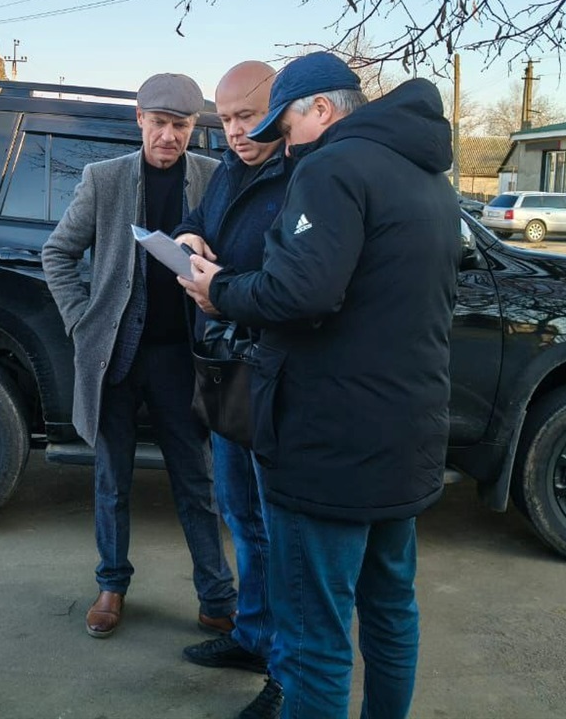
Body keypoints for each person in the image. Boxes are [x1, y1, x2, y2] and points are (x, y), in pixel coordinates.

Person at [180, 52, 460, 719]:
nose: (285, 146)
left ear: (323, 109)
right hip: (406, 434)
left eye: (286, 127)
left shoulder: (333, 167)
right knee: (390, 607)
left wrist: (220, 290)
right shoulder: (427, 177)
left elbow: (302, 292)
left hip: (328, 443)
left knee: (314, 639)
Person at [41, 73, 237, 640]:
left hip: (182, 358)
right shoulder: (103, 179)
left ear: (193, 128)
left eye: (180, 125)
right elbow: (58, 253)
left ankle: (216, 596)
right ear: (140, 121)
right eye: (159, 123)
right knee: (112, 479)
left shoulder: (214, 178)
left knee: (196, 481)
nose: (168, 136)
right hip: (115, 358)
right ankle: (111, 585)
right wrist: (82, 322)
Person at [172, 62, 292, 709]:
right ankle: (251, 634)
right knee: (240, 512)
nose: (236, 131)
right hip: (224, 369)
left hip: (272, 376)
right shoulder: (228, 169)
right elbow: (199, 219)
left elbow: (296, 285)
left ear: (278, 107)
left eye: (247, 116)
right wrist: (188, 234)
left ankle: (285, 667)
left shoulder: (301, 173)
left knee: (278, 527)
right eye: (225, 119)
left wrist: (222, 291)